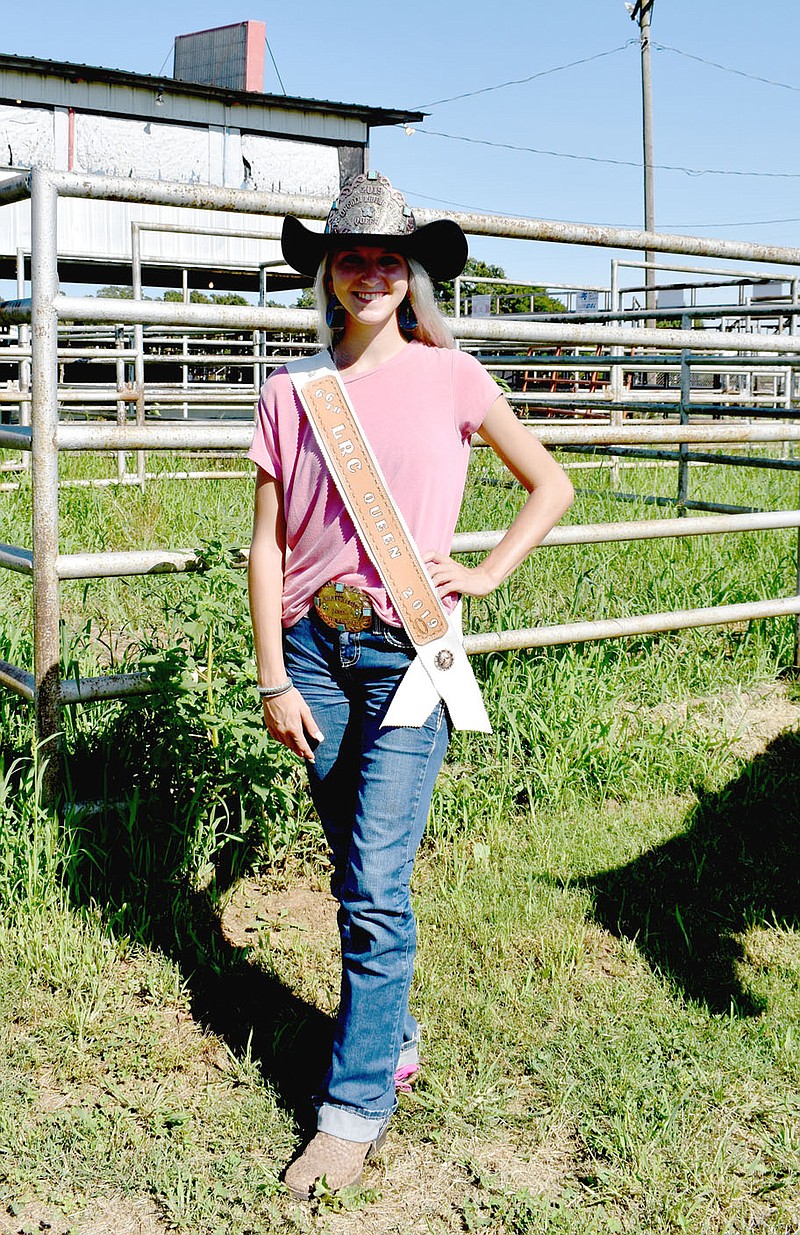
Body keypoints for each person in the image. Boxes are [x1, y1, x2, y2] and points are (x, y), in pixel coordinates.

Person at [247, 171, 574, 1200]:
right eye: (353, 257)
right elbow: (265, 545)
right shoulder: (290, 393)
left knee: (373, 890)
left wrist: (482, 571)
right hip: (312, 657)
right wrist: (270, 674)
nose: (372, 273)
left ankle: (350, 1112)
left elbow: (550, 482)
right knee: (355, 868)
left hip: (408, 657)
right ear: (329, 274)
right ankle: (393, 1031)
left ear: (411, 273)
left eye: (390, 258)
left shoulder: (454, 377)